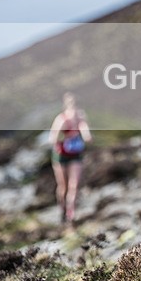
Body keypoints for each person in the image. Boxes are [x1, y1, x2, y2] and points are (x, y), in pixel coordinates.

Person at [48, 92, 92, 223]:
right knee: (63, 187)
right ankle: (62, 209)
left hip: (75, 155)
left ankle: (70, 214)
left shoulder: (81, 118)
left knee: (74, 185)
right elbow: (52, 139)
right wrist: (64, 134)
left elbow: (87, 136)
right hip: (61, 155)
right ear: (66, 105)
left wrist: (84, 132)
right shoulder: (61, 119)